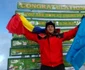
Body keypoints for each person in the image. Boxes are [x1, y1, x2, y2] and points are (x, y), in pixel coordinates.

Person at [6, 14, 79, 70]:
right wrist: (19, 23)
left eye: (52, 26)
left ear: (54, 28)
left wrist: (80, 26)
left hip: (59, 66)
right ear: (46, 29)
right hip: (45, 66)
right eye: (48, 27)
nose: (50, 28)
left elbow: (71, 33)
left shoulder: (59, 36)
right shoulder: (40, 37)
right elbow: (28, 33)